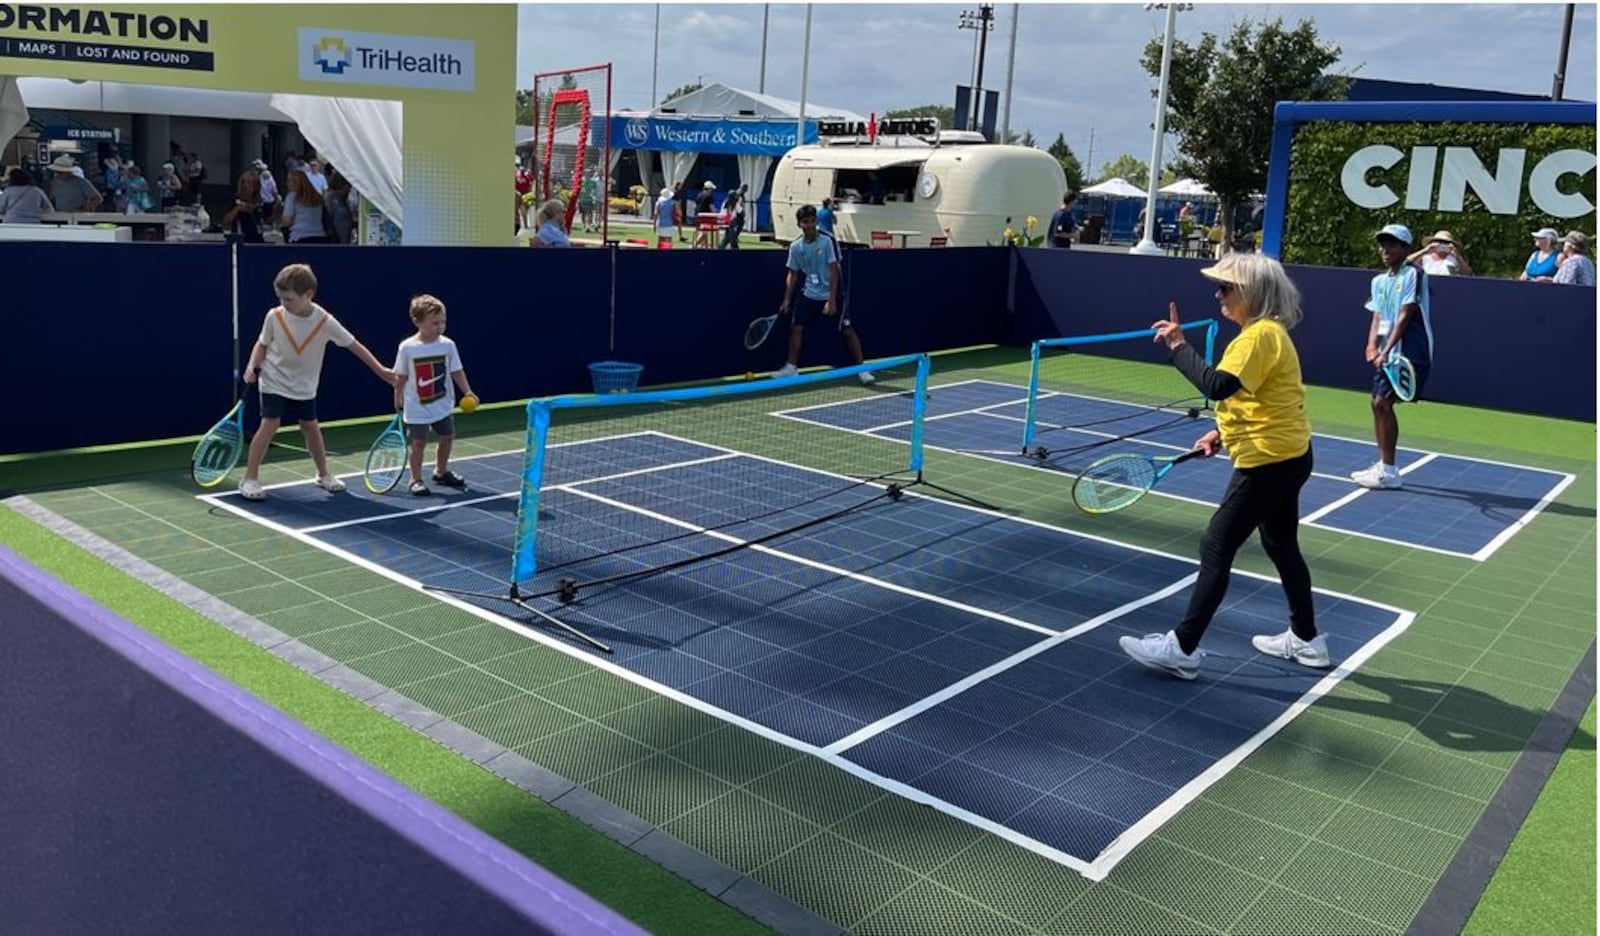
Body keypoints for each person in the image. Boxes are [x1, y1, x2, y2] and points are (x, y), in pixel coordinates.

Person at [1119, 252, 1324, 679]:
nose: (1218, 295)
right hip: (1290, 455)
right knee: (1280, 545)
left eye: (1226, 288)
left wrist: (1178, 346)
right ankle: (1307, 640)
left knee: (1216, 545)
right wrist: (1221, 432)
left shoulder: (1257, 337)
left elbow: (1218, 386)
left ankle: (1183, 648)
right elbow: (1251, 397)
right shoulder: (1269, 333)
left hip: (1268, 461)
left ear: (1251, 292)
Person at [238, 264, 399, 501]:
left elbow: (355, 346)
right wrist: (252, 366)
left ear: (308, 295)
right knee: (270, 423)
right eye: (280, 298)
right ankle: (250, 478)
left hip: (305, 386)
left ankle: (323, 474)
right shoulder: (274, 316)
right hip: (273, 380)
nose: (284, 303)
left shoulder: (325, 321)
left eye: (289, 299)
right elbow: (262, 343)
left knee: (310, 426)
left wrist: (381, 370)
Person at [1352, 223, 1433, 491]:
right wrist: (1370, 346)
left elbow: (1405, 315)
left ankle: (1389, 471)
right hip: (1385, 354)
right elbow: (1378, 315)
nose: (1385, 249)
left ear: (1405, 249)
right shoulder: (1379, 281)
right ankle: (1385, 464)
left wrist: (1385, 351)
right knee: (1377, 405)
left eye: (1392, 244)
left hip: (1410, 352)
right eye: (1383, 244)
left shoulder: (1414, 275)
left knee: (1382, 403)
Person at [774, 204, 874, 386]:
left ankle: (862, 369)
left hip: (832, 294)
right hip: (809, 294)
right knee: (796, 328)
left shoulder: (827, 240)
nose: (810, 225)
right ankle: (791, 367)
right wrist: (787, 299)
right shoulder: (796, 247)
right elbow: (793, 273)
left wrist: (831, 300)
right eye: (806, 222)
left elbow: (834, 270)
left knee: (847, 330)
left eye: (813, 221)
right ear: (799, 224)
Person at [393, 294, 476, 496]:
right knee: (418, 443)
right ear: (417, 322)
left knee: (447, 437)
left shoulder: (448, 345)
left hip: (442, 404)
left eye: (443, 322)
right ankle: (415, 479)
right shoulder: (407, 347)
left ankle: (441, 471)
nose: (440, 326)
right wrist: (397, 397)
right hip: (416, 407)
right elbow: (400, 376)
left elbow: (457, 370)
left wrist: (468, 391)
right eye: (434, 323)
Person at [280, 168, 330, 244]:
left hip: (299, 237)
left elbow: (287, 222)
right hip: (320, 236)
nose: (287, 183)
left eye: (289, 180)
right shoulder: (317, 197)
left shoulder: (292, 197)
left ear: (295, 182)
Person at [221, 170, 267, 243]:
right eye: (249, 182)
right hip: (242, 239)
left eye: (254, 183)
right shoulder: (235, 200)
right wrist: (237, 209)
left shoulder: (261, 201)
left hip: (258, 239)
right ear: (243, 184)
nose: (252, 185)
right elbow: (226, 221)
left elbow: (268, 220)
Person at [1408, 230, 1472, 276]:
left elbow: (1467, 273)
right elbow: (1406, 262)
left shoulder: (1454, 258)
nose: (1442, 244)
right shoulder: (1425, 257)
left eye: (1446, 242)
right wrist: (1425, 250)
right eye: (1439, 241)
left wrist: (1458, 256)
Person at [720, 184, 747, 250]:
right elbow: (739, 211)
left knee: (729, 236)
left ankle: (725, 247)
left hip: (728, 221)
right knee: (730, 236)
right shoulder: (730, 203)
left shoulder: (729, 202)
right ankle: (731, 247)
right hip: (729, 221)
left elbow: (740, 210)